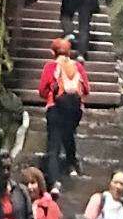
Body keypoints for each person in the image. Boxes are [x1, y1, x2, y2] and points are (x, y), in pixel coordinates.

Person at [39, 34, 90, 179]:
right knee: (69, 135)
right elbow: (86, 90)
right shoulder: (78, 66)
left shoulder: (50, 67)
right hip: (74, 110)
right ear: (69, 52)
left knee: (54, 146)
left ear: (53, 52)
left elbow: (42, 91)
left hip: (55, 108)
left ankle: (54, 182)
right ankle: (72, 165)